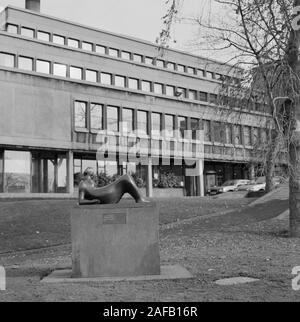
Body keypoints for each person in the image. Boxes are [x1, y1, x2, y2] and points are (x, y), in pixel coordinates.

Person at [78, 167, 148, 205]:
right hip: (104, 197)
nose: (93, 177)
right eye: (92, 175)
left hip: (103, 195)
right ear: (88, 174)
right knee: (126, 177)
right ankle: (140, 199)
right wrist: (93, 202)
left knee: (127, 178)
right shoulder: (83, 184)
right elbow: (80, 201)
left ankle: (139, 199)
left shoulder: (89, 182)